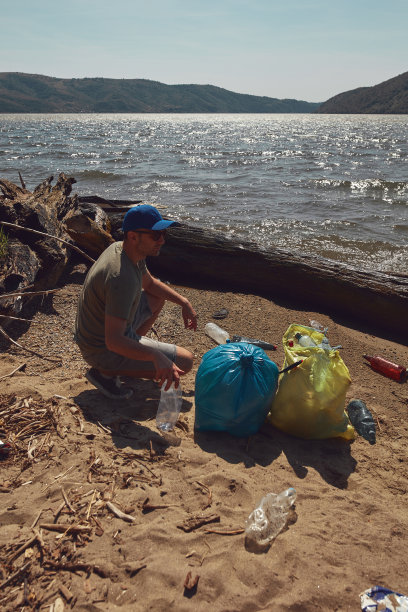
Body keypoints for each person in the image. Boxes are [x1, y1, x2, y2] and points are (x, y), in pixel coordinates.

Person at [74, 204, 197, 399]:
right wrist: (155, 356)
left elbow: (150, 284)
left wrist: (184, 302)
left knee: (158, 298)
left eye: (163, 233)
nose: (162, 240)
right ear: (133, 236)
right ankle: (105, 373)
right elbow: (113, 341)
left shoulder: (125, 250)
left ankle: (130, 355)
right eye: (156, 235)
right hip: (100, 350)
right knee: (185, 361)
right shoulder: (121, 277)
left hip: (104, 333)